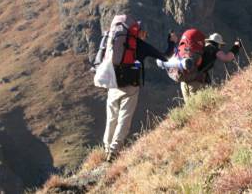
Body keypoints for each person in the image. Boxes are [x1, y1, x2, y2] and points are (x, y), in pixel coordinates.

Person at [103, 22, 173, 162]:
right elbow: (165, 56)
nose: (145, 36)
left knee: (111, 117)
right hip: (131, 86)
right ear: (139, 32)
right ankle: (114, 151)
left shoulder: (114, 41)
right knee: (124, 118)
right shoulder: (141, 45)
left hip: (113, 85)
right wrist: (171, 43)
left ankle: (106, 148)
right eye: (144, 33)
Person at [180, 33, 241, 103]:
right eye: (220, 45)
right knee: (200, 108)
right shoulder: (213, 48)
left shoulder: (200, 48)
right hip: (195, 83)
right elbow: (226, 58)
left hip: (184, 82)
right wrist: (236, 47)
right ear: (218, 43)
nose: (220, 47)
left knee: (190, 110)